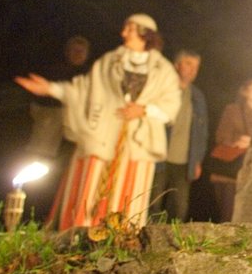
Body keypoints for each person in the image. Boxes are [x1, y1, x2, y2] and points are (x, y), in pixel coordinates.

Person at [15, 13, 180, 230]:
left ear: (144, 33)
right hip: (104, 133)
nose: (123, 33)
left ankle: (123, 237)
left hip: (138, 142)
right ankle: (82, 234)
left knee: (130, 192)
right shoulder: (109, 61)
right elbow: (83, 89)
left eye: (129, 28)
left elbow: (171, 105)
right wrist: (50, 89)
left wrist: (144, 110)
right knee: (91, 190)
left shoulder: (163, 70)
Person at [150, 50, 208, 222]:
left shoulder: (197, 96)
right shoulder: (162, 89)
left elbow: (202, 131)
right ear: (176, 65)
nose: (193, 70)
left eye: (196, 67)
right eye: (188, 64)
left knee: (179, 208)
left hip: (184, 162)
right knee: (152, 203)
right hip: (159, 156)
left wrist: (197, 160)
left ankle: (169, 244)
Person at [25, 36, 91, 160]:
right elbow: (40, 100)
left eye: (81, 51)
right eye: (74, 51)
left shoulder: (91, 74)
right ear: (67, 52)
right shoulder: (54, 72)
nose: (78, 54)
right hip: (52, 117)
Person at [208, 78, 252, 221]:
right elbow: (221, 135)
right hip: (232, 167)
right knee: (229, 210)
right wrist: (238, 141)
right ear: (245, 92)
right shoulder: (233, 110)